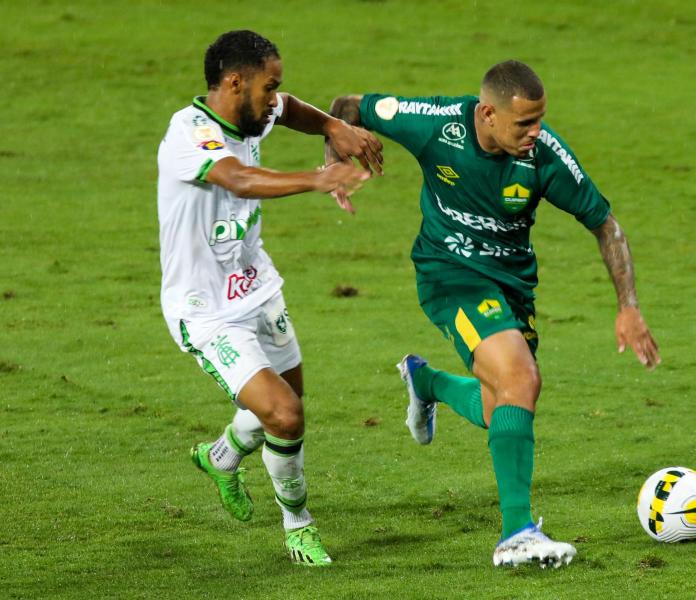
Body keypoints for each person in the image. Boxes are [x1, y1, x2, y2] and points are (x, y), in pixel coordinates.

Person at [327, 60, 660, 568]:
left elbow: (605, 224)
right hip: (449, 276)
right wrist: (334, 155)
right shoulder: (434, 122)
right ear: (486, 113)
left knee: (498, 407)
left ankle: (429, 383)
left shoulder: (544, 157)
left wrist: (628, 307)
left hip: (512, 288)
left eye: (541, 120)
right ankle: (517, 534)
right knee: (521, 379)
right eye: (524, 123)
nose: (536, 133)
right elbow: (346, 108)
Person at [157, 30, 382, 567]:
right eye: (268, 87)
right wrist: (316, 178)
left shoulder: (255, 109)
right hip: (205, 310)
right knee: (283, 415)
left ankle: (222, 457)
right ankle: (298, 525)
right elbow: (238, 179)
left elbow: (291, 110)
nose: (274, 98)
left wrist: (332, 125)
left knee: (289, 407)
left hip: (256, 286)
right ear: (234, 82)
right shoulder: (188, 133)